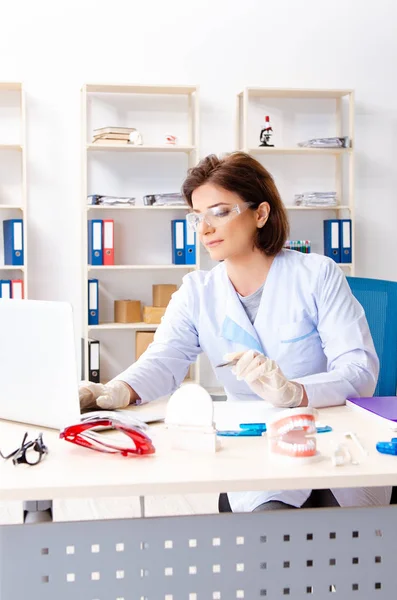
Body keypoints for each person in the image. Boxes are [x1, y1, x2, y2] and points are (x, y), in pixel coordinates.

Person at [79, 151, 391, 512]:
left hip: (327, 441)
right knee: (260, 527)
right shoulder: (197, 292)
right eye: (197, 217)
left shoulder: (317, 275)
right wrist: (117, 390)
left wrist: (295, 393)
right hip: (249, 447)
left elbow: (360, 373)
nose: (205, 228)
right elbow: (163, 360)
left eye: (220, 212)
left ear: (260, 213)